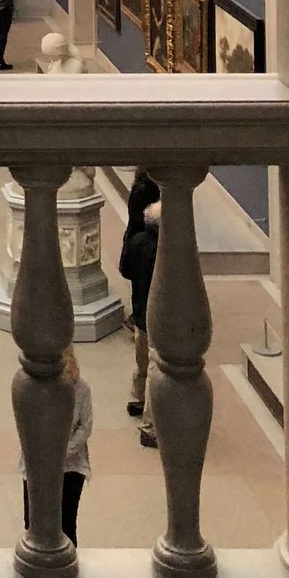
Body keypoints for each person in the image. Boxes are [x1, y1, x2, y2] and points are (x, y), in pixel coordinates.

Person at [19, 345, 92, 546]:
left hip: (70, 467)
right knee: (33, 523)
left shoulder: (81, 389)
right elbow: (27, 425)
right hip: (37, 463)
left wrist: (60, 453)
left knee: (66, 525)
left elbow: (85, 427)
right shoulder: (32, 388)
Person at [119, 169, 161, 448]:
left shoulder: (135, 244)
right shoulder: (165, 252)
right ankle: (150, 426)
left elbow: (125, 269)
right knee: (157, 364)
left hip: (139, 309)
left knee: (141, 360)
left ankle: (136, 399)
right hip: (156, 313)